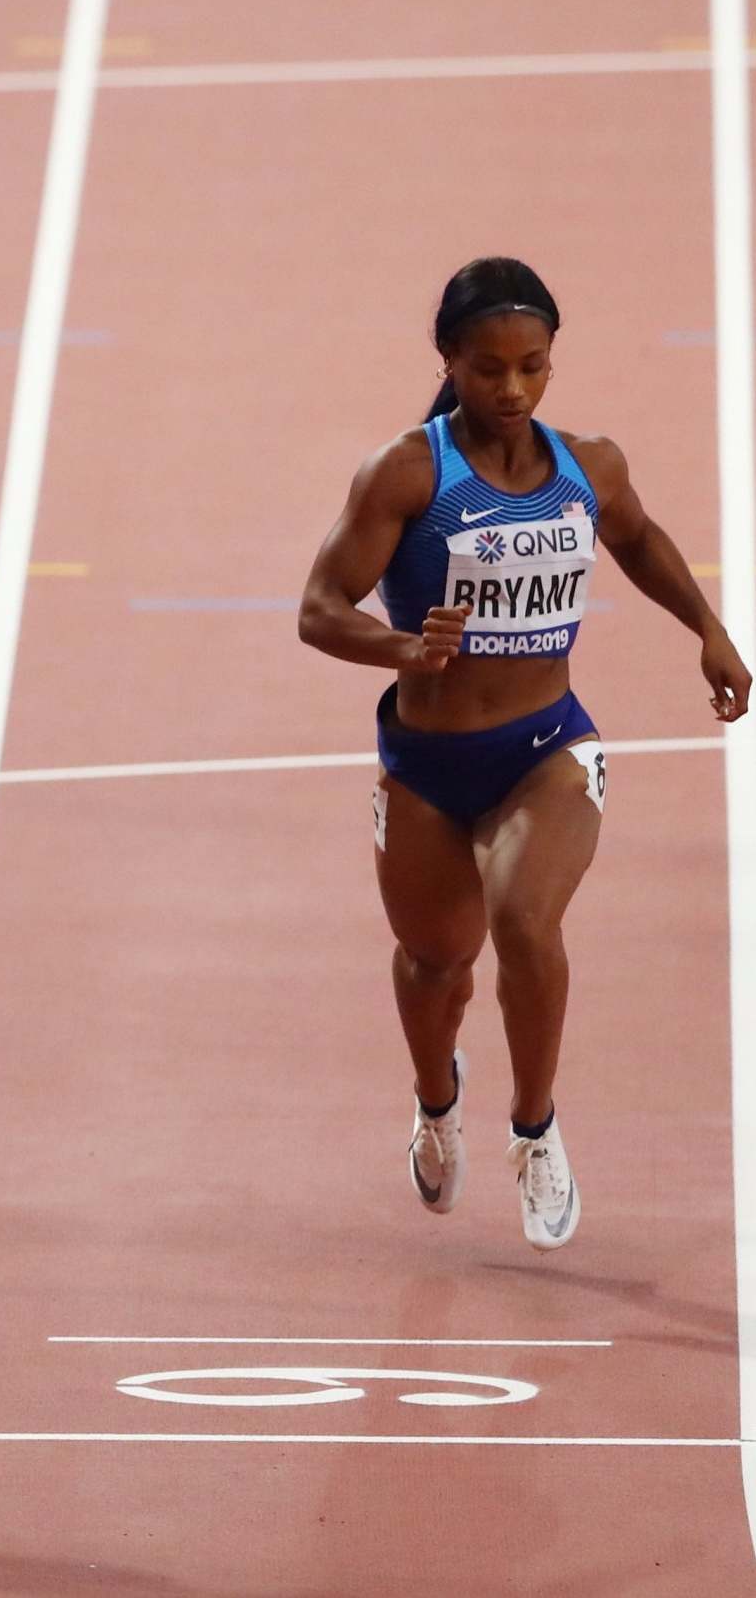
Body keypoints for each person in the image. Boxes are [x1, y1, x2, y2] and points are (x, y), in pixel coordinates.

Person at [299, 256, 748, 1251]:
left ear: (551, 363)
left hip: (546, 746)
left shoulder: (589, 464)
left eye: (531, 367)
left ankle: (534, 1128)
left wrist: (706, 627)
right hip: (424, 764)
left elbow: (635, 537)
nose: (511, 389)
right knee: (433, 963)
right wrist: (404, 645)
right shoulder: (409, 472)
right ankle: (434, 1100)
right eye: (489, 368)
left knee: (524, 920)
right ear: (448, 361)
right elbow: (316, 609)